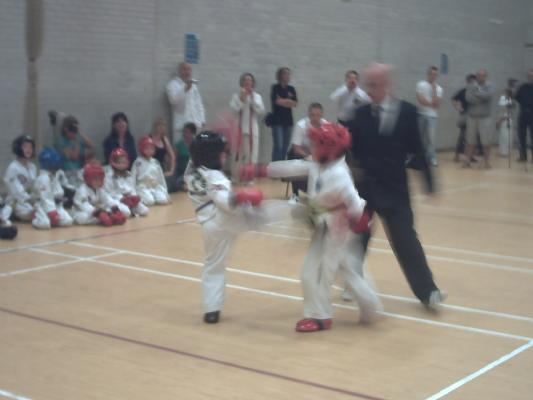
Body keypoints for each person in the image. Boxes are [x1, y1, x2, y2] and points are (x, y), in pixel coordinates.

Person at [241, 123, 381, 332]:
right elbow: (294, 166)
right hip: (322, 220)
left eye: (317, 144)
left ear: (329, 148)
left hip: (338, 227)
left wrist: (357, 221)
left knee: (320, 272)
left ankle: (321, 317)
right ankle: (371, 305)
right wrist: (262, 170)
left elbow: (355, 203)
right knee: (345, 269)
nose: (312, 147)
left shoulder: (339, 174)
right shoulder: (320, 163)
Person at [348, 63, 445, 309]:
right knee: (357, 239)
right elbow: (351, 150)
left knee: (406, 241)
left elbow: (419, 149)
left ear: (387, 84)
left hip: (395, 191)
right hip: (365, 191)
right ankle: (352, 283)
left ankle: (428, 292)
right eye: (368, 85)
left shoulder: (408, 112)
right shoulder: (360, 114)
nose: (370, 90)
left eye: (374, 85)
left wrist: (429, 182)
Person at [185, 131, 267, 324]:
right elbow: (226, 203)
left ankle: (211, 310)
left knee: (213, 266)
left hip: (208, 225)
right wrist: (243, 196)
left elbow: (197, 151)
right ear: (211, 155)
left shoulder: (190, 172)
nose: (224, 156)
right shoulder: (215, 176)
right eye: (221, 153)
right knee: (267, 214)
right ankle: (297, 213)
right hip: (225, 218)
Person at [286, 102, 328, 204]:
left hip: (317, 153)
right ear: (309, 115)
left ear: (322, 115)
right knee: (293, 156)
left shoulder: (326, 125)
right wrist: (308, 156)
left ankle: (322, 192)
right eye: (313, 115)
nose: (315, 118)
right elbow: (296, 147)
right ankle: (295, 194)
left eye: (318, 115)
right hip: (300, 153)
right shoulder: (301, 125)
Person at [229, 72, 265, 175]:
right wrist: (242, 99)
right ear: (242, 83)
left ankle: (249, 177)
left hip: (252, 129)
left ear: (253, 83)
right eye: (245, 80)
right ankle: (236, 176)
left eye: (250, 80)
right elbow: (234, 111)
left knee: (252, 155)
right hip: (239, 129)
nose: (248, 82)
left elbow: (261, 111)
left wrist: (252, 99)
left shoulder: (257, 96)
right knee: (238, 153)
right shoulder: (236, 96)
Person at [71, 161, 127, 226]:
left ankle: (108, 217)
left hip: (98, 211)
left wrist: (115, 209)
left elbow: (108, 200)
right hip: (81, 212)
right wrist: (98, 213)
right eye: (96, 179)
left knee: (124, 211)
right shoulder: (82, 190)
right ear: (88, 179)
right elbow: (83, 206)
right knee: (82, 218)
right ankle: (105, 218)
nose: (99, 181)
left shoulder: (99, 189)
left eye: (100, 179)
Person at [32, 147, 75, 229]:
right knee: (45, 224)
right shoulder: (43, 178)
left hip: (56, 204)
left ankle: (49, 218)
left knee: (68, 221)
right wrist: (52, 212)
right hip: (42, 205)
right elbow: (45, 198)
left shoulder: (57, 173)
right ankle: (36, 217)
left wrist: (71, 192)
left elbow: (65, 185)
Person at [166, 62, 206, 142]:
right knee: (181, 148)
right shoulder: (172, 85)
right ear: (179, 71)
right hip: (181, 125)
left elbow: (198, 104)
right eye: (184, 69)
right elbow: (173, 101)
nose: (187, 72)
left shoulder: (194, 86)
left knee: (196, 148)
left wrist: (202, 120)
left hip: (195, 124)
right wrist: (185, 89)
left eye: (189, 69)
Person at [104, 148, 149, 217]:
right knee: (126, 212)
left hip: (129, 199)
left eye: (123, 163)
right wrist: (122, 198)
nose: (121, 165)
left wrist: (134, 197)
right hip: (117, 199)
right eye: (119, 163)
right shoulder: (109, 175)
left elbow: (132, 188)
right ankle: (110, 212)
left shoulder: (128, 174)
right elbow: (110, 193)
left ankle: (131, 209)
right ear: (113, 162)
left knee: (144, 210)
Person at [464, 69, 494, 169]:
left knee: (486, 141)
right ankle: (467, 161)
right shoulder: (471, 85)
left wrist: (476, 94)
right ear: (476, 76)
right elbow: (468, 98)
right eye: (479, 75)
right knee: (470, 140)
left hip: (485, 117)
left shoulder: (490, 86)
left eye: (483, 75)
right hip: (472, 117)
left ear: (486, 76)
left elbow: (488, 96)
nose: (480, 77)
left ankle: (487, 162)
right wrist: (481, 97)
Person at [4, 135, 37, 222]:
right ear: (18, 148)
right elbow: (16, 192)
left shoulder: (32, 167)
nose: (29, 150)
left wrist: (37, 198)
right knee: (34, 213)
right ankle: (12, 214)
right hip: (17, 202)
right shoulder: (13, 168)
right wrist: (30, 200)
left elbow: (34, 187)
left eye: (30, 147)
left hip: (30, 200)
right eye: (25, 147)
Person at [452, 74, 484, 162]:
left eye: (474, 81)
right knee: (462, 136)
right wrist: (458, 108)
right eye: (471, 81)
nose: (473, 83)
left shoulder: (477, 92)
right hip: (465, 116)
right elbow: (453, 99)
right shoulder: (463, 91)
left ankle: (471, 156)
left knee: (474, 137)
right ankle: (456, 155)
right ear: (468, 82)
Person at [416, 66, 443, 166]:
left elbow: (437, 104)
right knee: (419, 138)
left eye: (435, 74)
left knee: (431, 139)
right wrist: (431, 104)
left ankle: (432, 158)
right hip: (421, 114)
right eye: (431, 74)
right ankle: (419, 158)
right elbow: (420, 99)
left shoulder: (439, 88)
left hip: (432, 116)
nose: (433, 76)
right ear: (428, 74)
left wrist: (434, 90)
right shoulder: (420, 84)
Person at [131, 136, 170, 206]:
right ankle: (143, 198)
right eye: (146, 148)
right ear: (141, 149)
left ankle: (155, 196)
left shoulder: (155, 162)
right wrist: (133, 194)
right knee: (150, 201)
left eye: (151, 148)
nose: (149, 150)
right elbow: (132, 178)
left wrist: (166, 192)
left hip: (155, 186)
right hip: (142, 187)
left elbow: (161, 178)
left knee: (163, 200)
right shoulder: (138, 162)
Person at [270, 67, 298, 161]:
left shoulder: (291, 89)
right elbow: (277, 101)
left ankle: (282, 166)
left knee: (285, 146)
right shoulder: (275, 87)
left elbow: (295, 103)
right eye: (285, 73)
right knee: (279, 145)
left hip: (288, 121)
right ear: (280, 75)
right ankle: (275, 166)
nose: (287, 76)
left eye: (288, 74)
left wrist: (283, 101)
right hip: (277, 121)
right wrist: (288, 101)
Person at [55, 115, 94, 181]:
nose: (73, 133)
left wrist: (79, 132)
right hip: (67, 172)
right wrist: (75, 142)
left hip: (80, 170)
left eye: (75, 130)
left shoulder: (77, 137)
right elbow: (74, 156)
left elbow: (91, 145)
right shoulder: (61, 142)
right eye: (71, 130)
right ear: (66, 129)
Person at [149, 118, 176, 190]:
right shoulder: (149, 138)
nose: (161, 127)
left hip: (161, 169)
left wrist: (171, 171)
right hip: (150, 169)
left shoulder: (164, 139)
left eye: (163, 125)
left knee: (171, 185)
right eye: (159, 125)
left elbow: (172, 156)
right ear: (155, 126)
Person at [515, 69, 533, 162]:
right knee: (521, 135)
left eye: (532, 76)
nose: (530, 77)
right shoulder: (523, 87)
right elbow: (517, 97)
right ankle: (523, 156)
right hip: (523, 113)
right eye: (529, 76)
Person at [174, 122, 196, 191]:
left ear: (193, 133)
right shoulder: (178, 145)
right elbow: (173, 160)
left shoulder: (197, 144)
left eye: (187, 132)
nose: (185, 134)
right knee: (177, 183)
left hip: (193, 172)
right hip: (180, 172)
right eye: (184, 132)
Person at [497, 89, 515, 157]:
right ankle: (502, 152)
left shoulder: (510, 102)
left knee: (506, 137)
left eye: (505, 93)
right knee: (502, 136)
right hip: (502, 120)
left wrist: (500, 120)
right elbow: (501, 111)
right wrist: (499, 120)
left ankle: (506, 152)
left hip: (506, 121)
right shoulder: (503, 101)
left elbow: (508, 114)